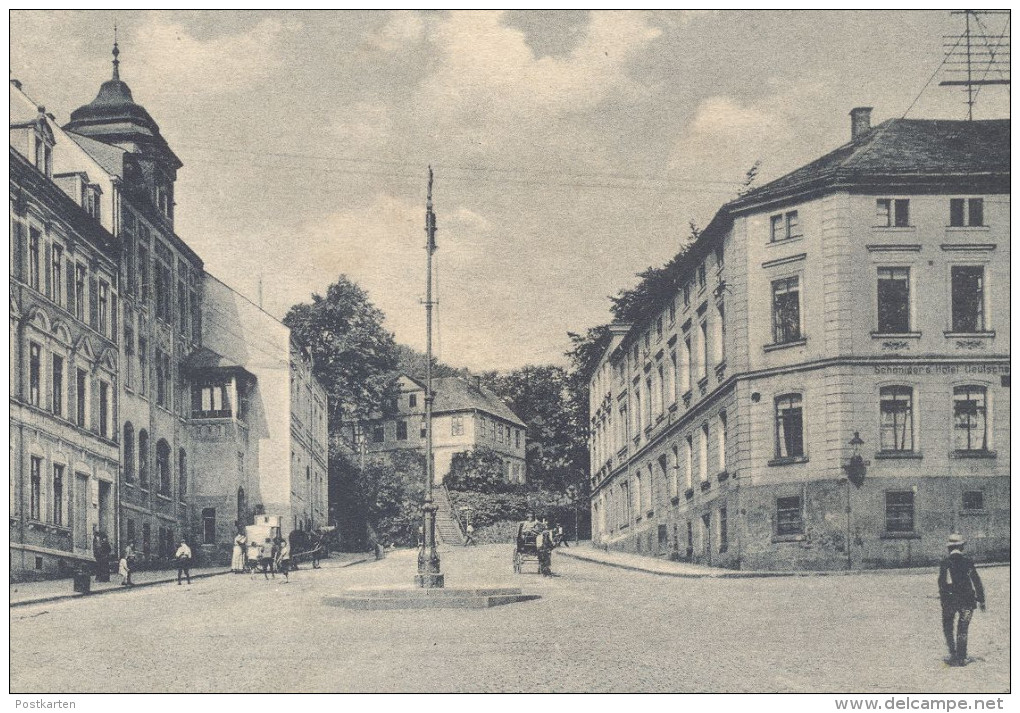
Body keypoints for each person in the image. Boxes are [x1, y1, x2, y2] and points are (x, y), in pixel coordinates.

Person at [938, 533, 985, 667]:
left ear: (949, 548)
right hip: (967, 600)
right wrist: (981, 600)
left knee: (948, 627)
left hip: (950, 601)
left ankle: (953, 654)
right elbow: (976, 580)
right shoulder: (968, 562)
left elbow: (941, 583)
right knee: (963, 628)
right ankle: (962, 657)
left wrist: (943, 600)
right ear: (962, 547)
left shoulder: (945, 563)